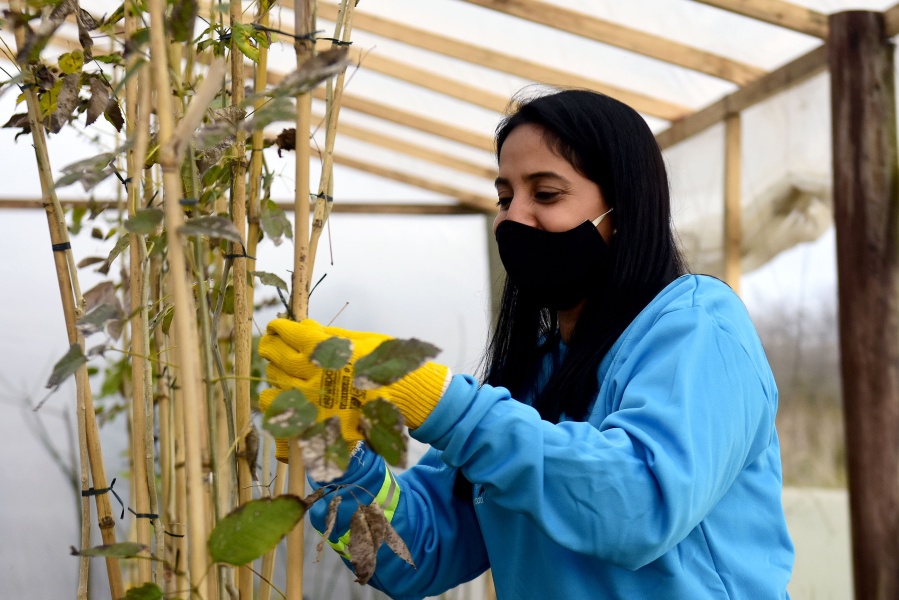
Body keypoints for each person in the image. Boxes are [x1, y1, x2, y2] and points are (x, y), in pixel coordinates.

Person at [259, 88, 795, 599]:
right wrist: (334, 458)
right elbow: (411, 557)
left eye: (546, 194)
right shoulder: (531, 378)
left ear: (625, 211)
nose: (514, 218)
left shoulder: (697, 327)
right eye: (505, 196)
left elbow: (639, 505)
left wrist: (442, 401)